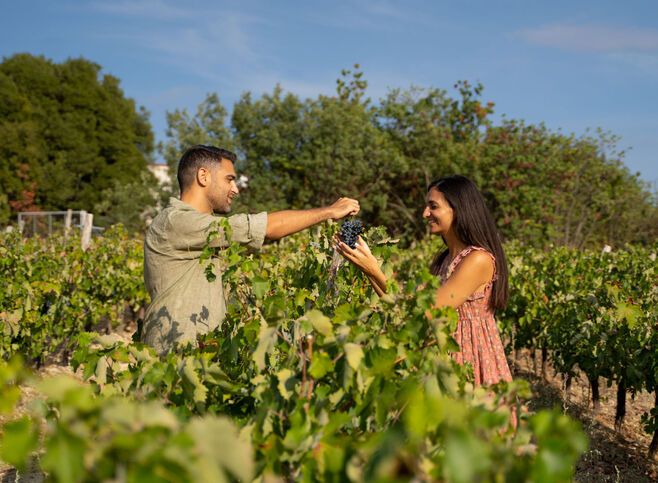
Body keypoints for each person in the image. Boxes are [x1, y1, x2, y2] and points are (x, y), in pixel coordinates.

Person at [142, 145, 359, 354]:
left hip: (196, 356)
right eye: (229, 179)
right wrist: (329, 212)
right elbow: (267, 228)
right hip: (174, 357)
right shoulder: (177, 222)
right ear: (203, 176)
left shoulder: (200, 229)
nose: (235, 189)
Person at [334, 175, 512, 387]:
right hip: (442, 354)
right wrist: (369, 269)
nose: (425, 213)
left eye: (433, 206)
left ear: (459, 209)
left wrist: (374, 269)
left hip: (470, 356)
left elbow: (428, 311)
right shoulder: (446, 259)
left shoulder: (477, 260)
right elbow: (404, 303)